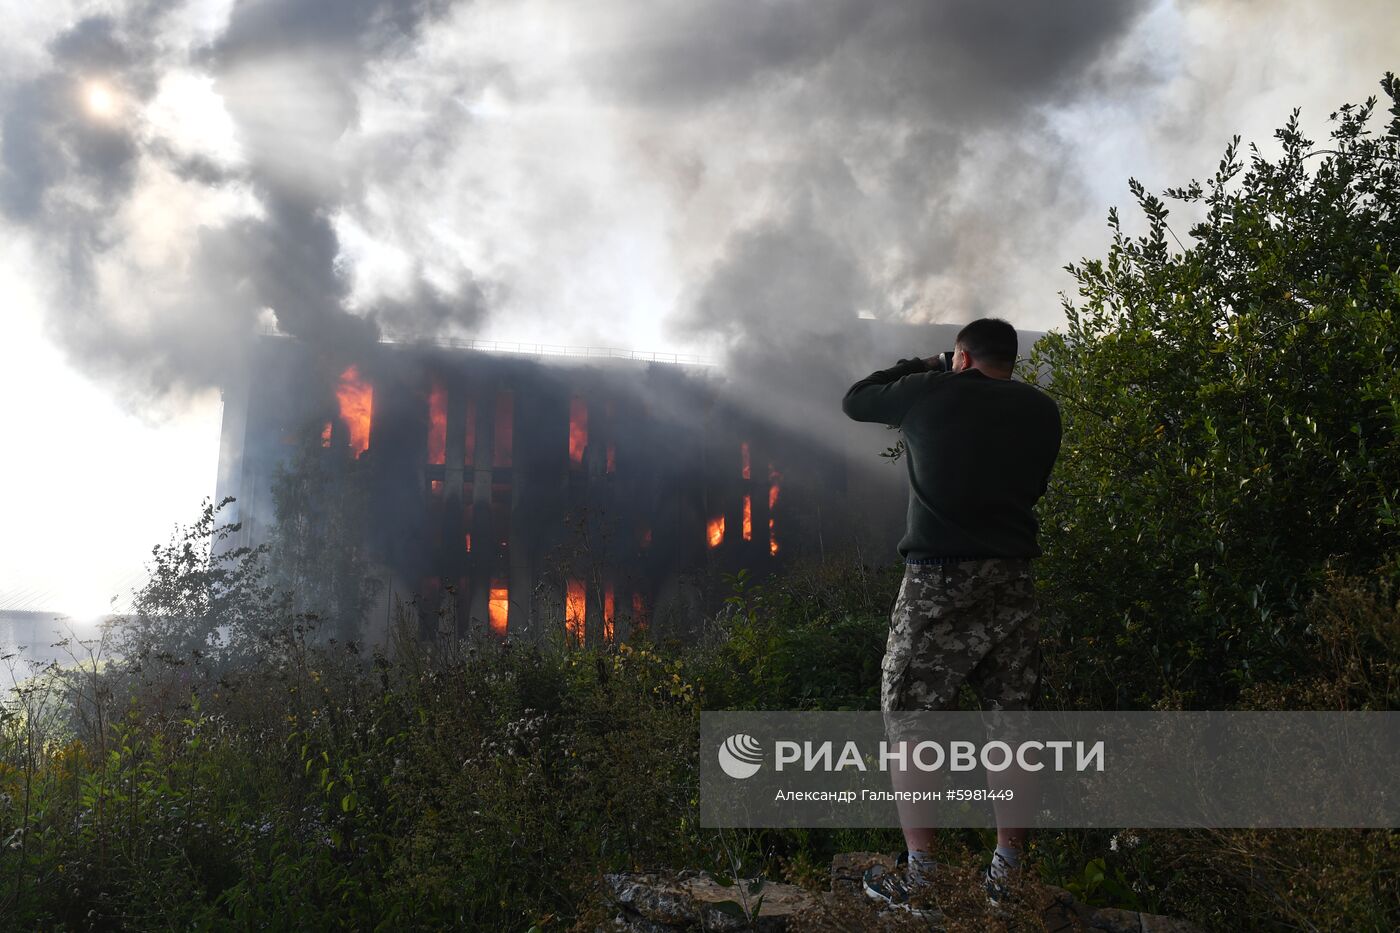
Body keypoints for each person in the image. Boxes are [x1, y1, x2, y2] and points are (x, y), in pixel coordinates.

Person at [841, 317, 1061, 913]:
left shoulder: (934, 389)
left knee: (911, 722)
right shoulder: (1044, 411)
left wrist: (931, 365)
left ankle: (923, 879)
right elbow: (1033, 485)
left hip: (939, 579)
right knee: (1012, 730)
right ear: (1010, 360)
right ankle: (1008, 879)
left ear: (963, 357)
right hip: (1013, 578)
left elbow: (856, 399)